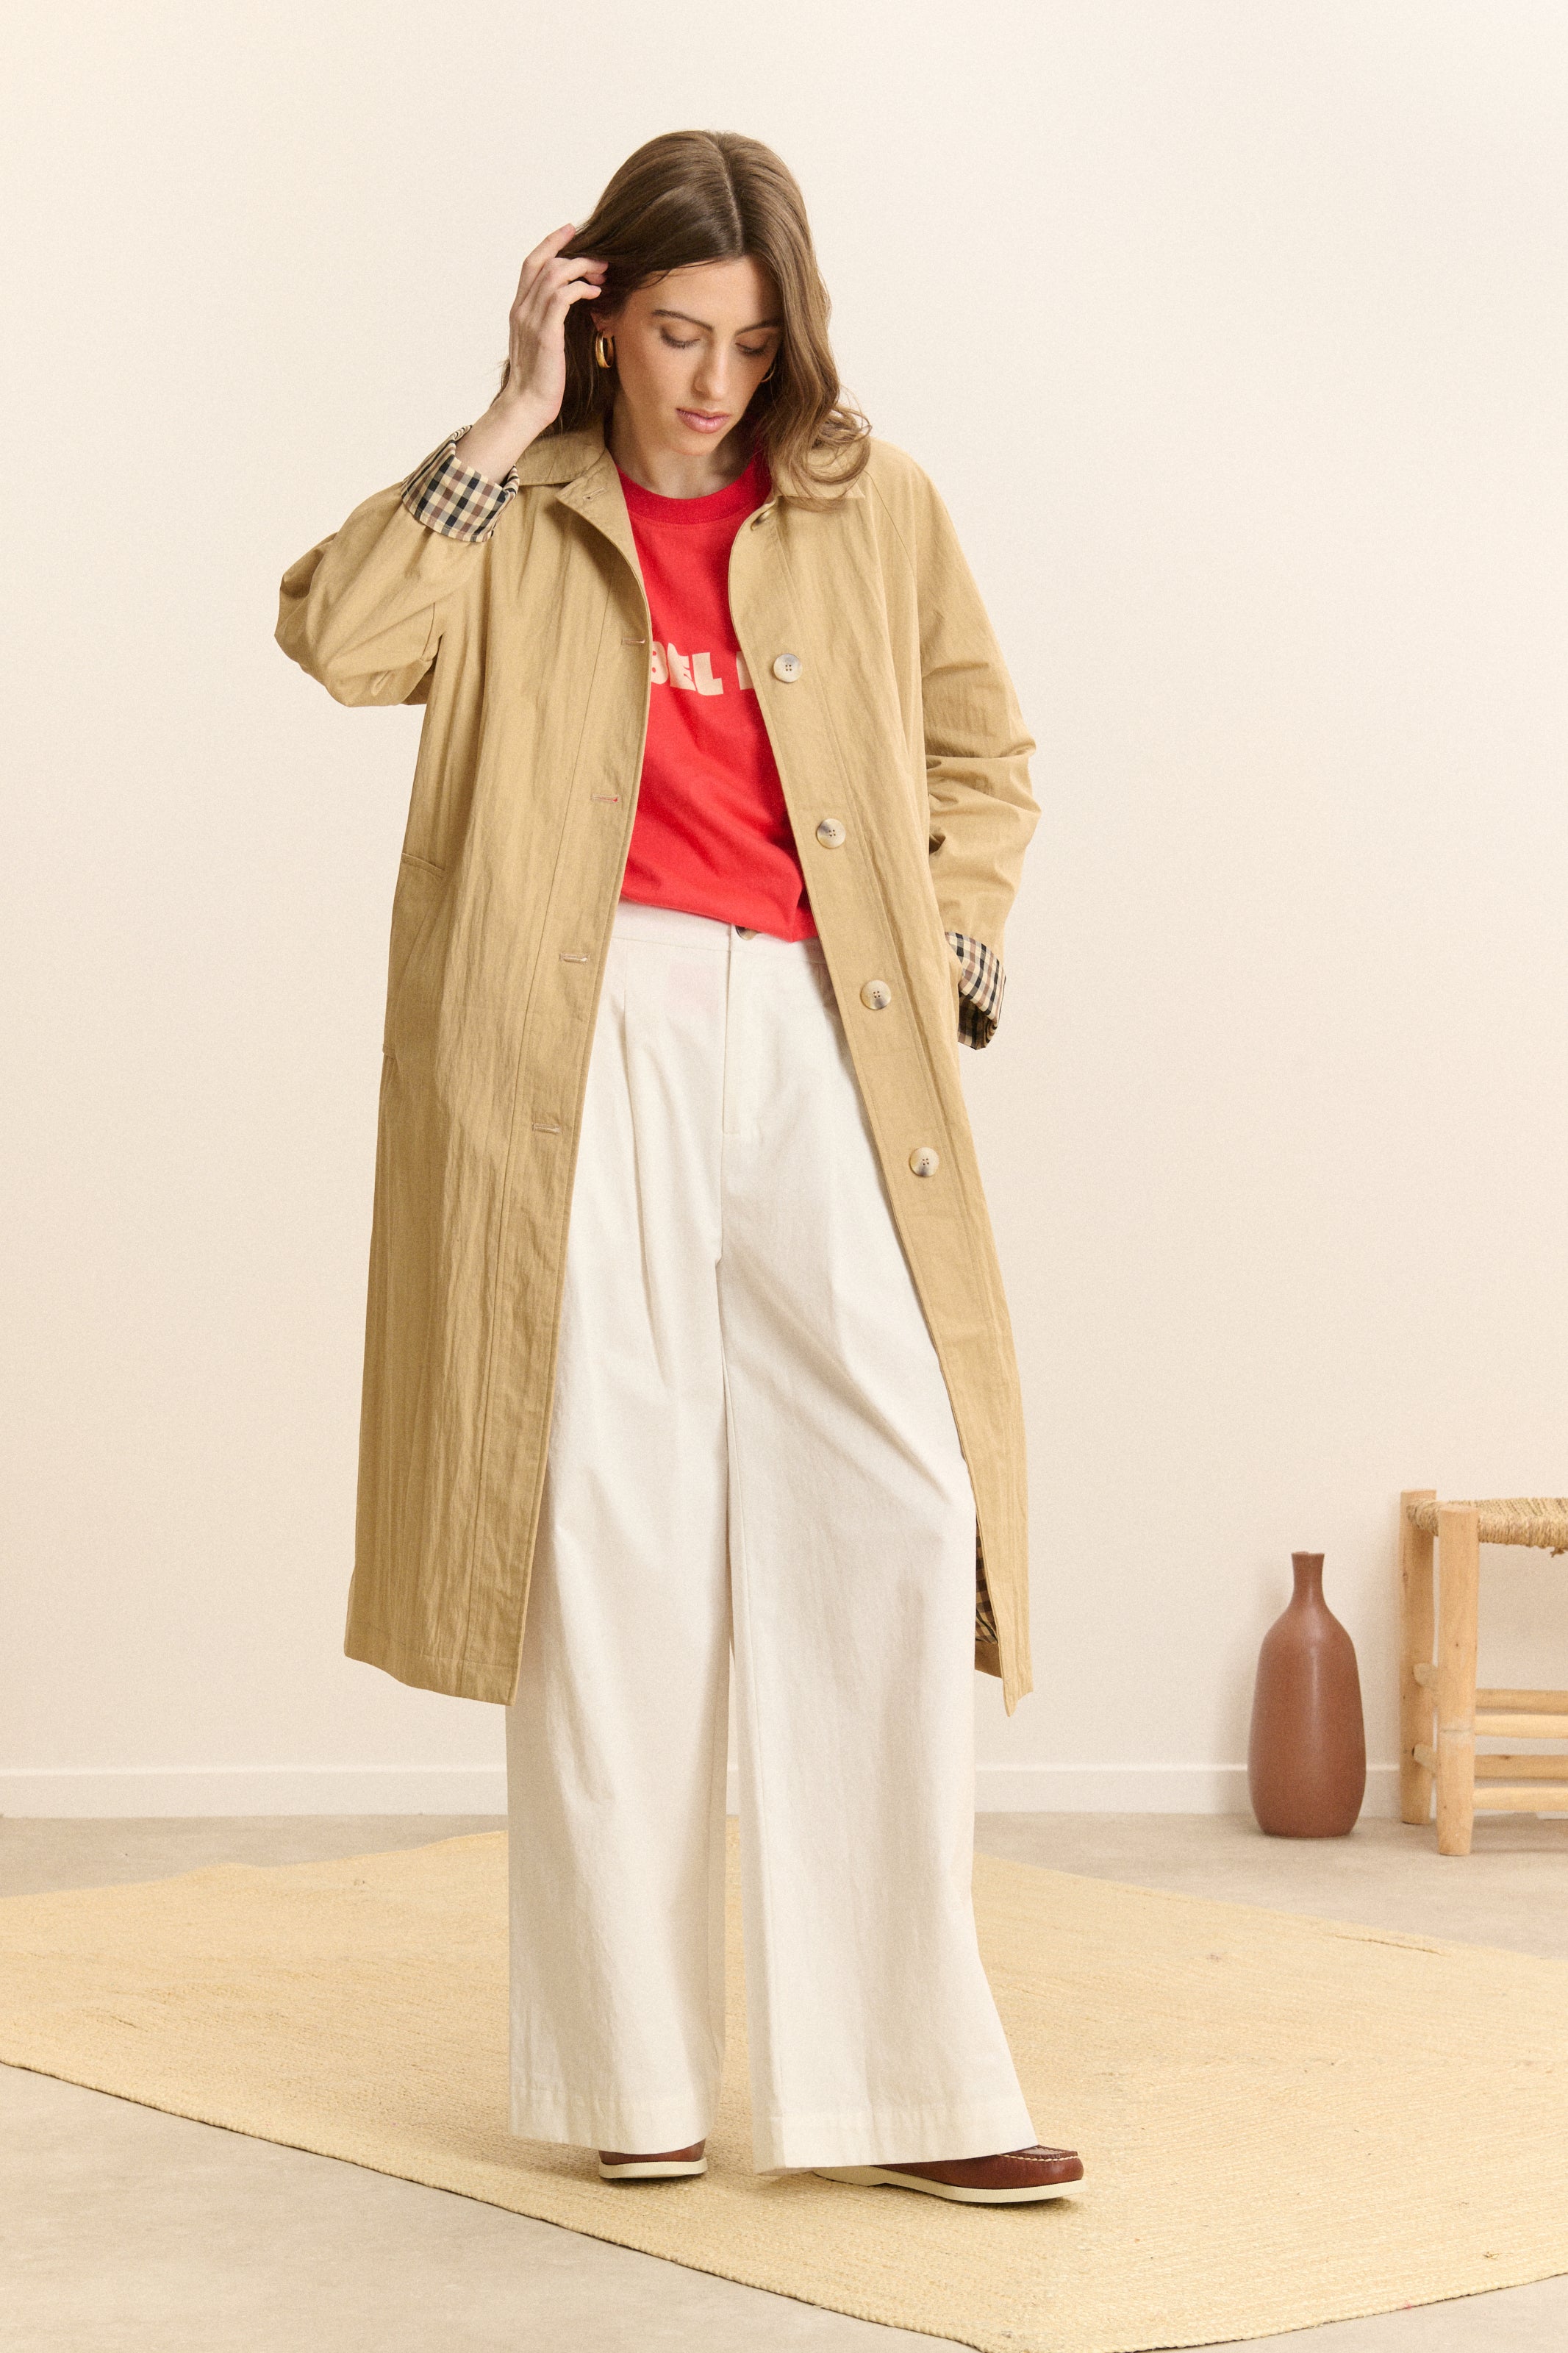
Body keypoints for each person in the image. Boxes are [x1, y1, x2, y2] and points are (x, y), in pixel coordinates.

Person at [276, 129, 1082, 2207]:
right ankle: (628, 2073)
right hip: (578, 1034)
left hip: (824, 1024)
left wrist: (952, 946)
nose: (715, 383)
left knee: (896, 1502)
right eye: (672, 334)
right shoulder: (521, 503)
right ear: (598, 317)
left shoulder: (871, 502)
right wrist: (501, 414)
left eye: (751, 342)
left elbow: (984, 754)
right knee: (606, 1530)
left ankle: (909, 2086)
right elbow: (345, 640)